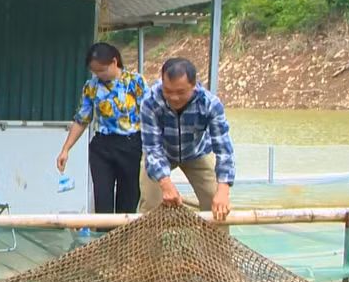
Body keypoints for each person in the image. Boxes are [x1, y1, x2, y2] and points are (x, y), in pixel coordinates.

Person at [56, 42, 148, 214]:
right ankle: (103, 230)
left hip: (130, 144)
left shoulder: (135, 82)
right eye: (95, 71)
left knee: (128, 199)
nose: (99, 74)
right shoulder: (91, 87)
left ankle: (125, 232)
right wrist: (66, 149)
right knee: (102, 197)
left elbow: (149, 115)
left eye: (102, 70)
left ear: (114, 62)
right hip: (102, 146)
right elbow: (82, 119)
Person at [139, 57, 235, 221]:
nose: (174, 97)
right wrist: (166, 184)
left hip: (196, 152)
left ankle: (216, 238)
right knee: (150, 206)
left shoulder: (210, 104)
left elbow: (224, 149)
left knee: (217, 203)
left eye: (181, 92)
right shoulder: (150, 102)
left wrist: (223, 189)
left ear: (193, 85)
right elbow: (152, 149)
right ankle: (148, 237)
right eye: (168, 91)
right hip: (161, 154)